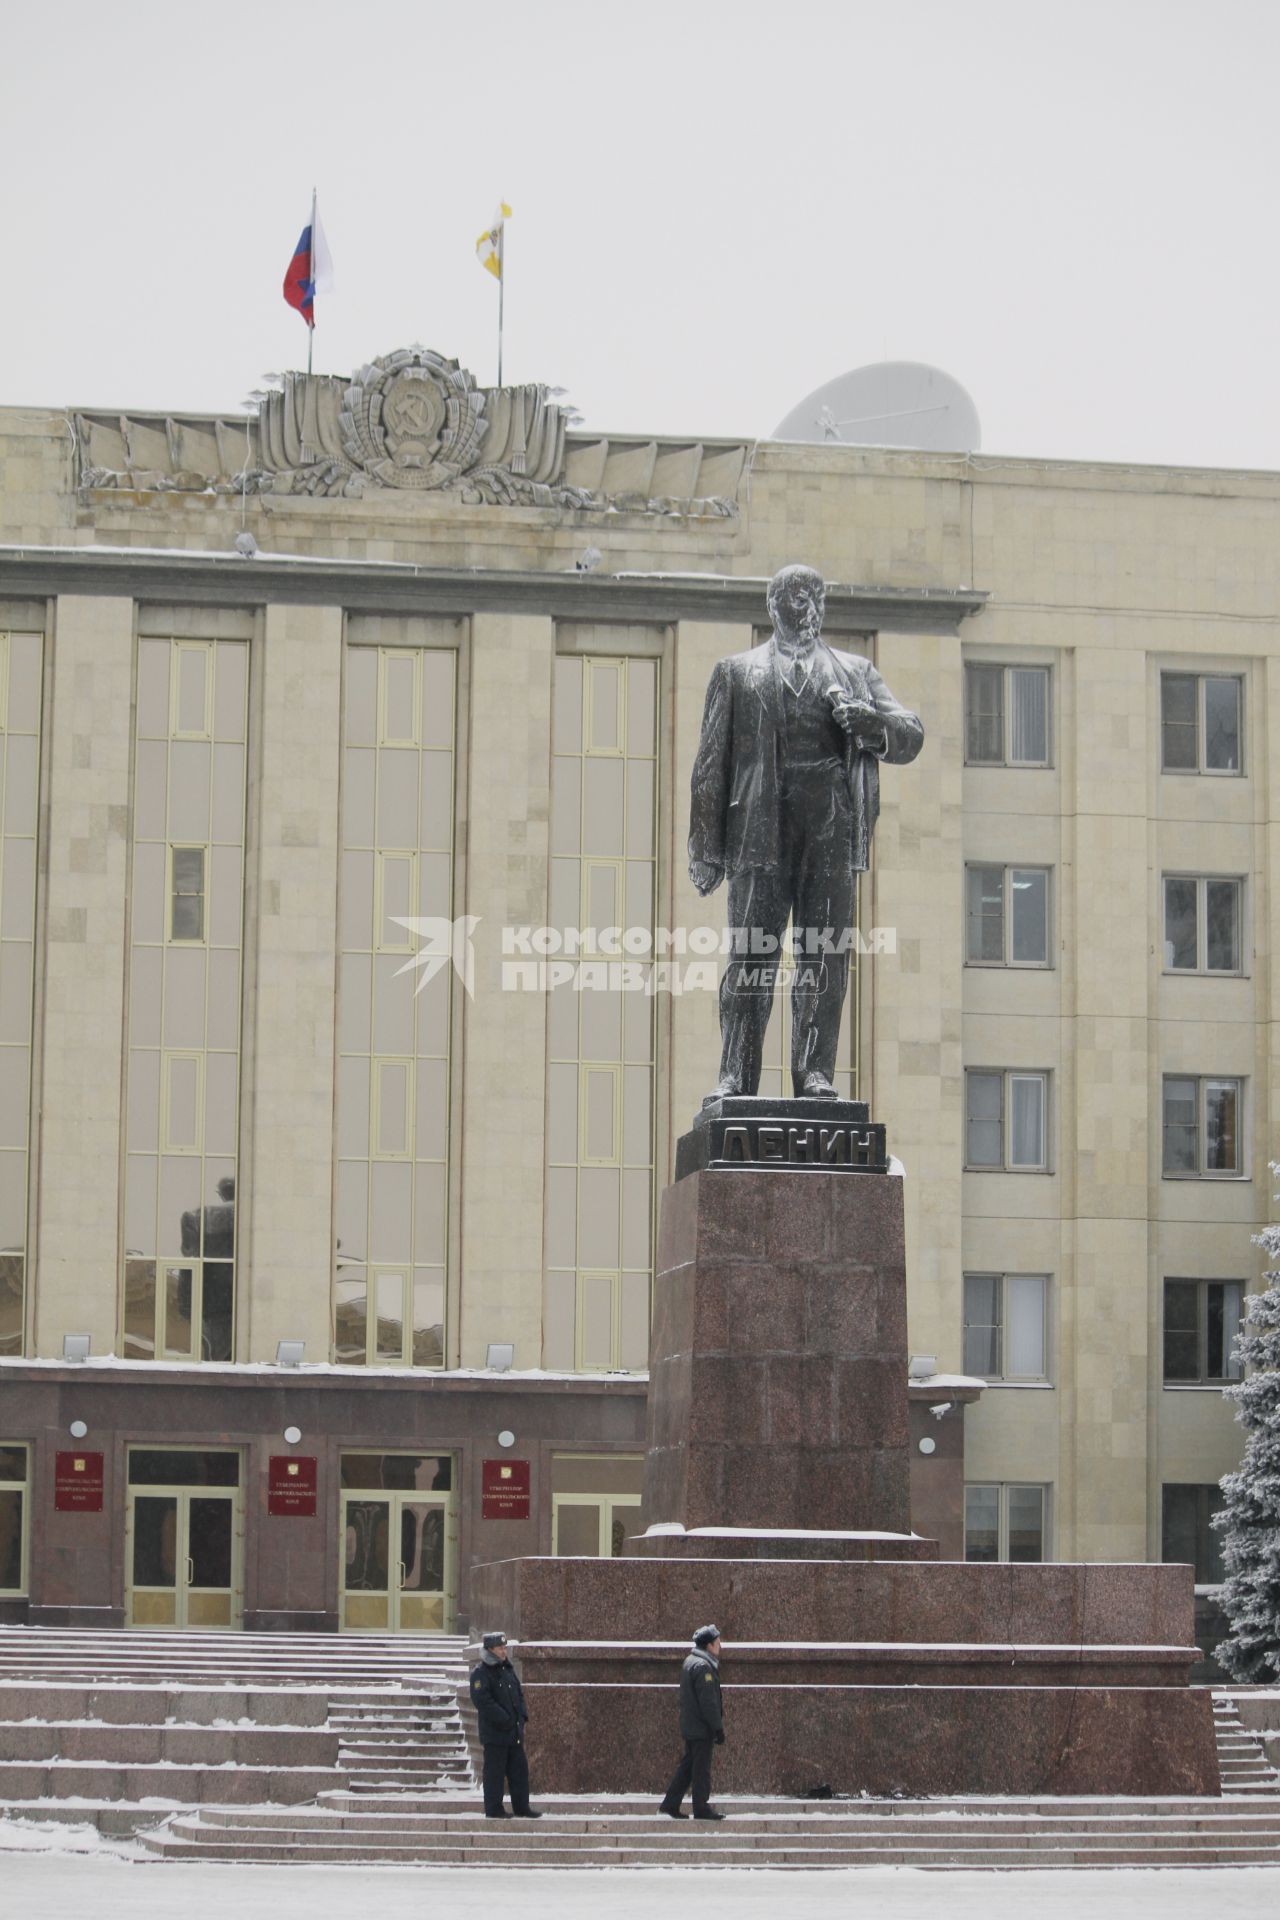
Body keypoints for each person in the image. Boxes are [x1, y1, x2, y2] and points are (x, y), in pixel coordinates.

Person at [688, 562, 924, 1098]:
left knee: (823, 957)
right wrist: (706, 848)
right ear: (774, 608)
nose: (807, 608)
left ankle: (815, 1074)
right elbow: (710, 765)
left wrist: (871, 724)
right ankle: (735, 1076)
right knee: (750, 959)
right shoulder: (736, 672)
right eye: (796, 599)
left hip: (830, 830)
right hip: (757, 831)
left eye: (815, 599)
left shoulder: (856, 672)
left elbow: (910, 733)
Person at [469, 1630, 543, 1819]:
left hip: (513, 1733)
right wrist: (504, 1718)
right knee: (495, 1772)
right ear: (490, 1649)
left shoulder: (507, 1669)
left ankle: (522, 1807)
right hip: (495, 1733)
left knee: (519, 1771)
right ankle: (494, 1809)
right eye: (500, 1648)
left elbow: (518, 1695)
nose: (504, 1651)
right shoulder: (481, 1673)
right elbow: (483, 1701)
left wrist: (522, 1716)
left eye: (504, 1647)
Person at [658, 1624, 727, 1820]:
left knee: (688, 1767)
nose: (720, 1645)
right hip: (701, 1728)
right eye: (717, 1642)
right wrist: (717, 1727)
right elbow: (708, 1702)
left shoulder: (691, 1662)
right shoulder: (703, 1667)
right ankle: (701, 1807)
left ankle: (670, 1804)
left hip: (691, 1725)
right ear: (709, 1645)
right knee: (700, 1769)